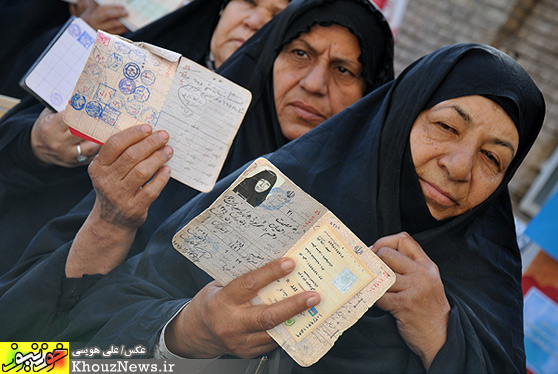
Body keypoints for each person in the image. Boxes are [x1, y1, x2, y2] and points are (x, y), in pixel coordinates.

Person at [34, 42, 543, 373]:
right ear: (398, 118)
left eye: (493, 159)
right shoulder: (273, 196)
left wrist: (442, 339)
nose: (459, 166)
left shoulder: (480, 286)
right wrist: (188, 332)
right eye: (447, 127)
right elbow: (53, 355)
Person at [0, 0, 394, 277]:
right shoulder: (134, 66)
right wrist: (36, 144)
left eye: (344, 70)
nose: (256, 22)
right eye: (300, 53)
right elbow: (39, 332)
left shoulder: (352, 197)